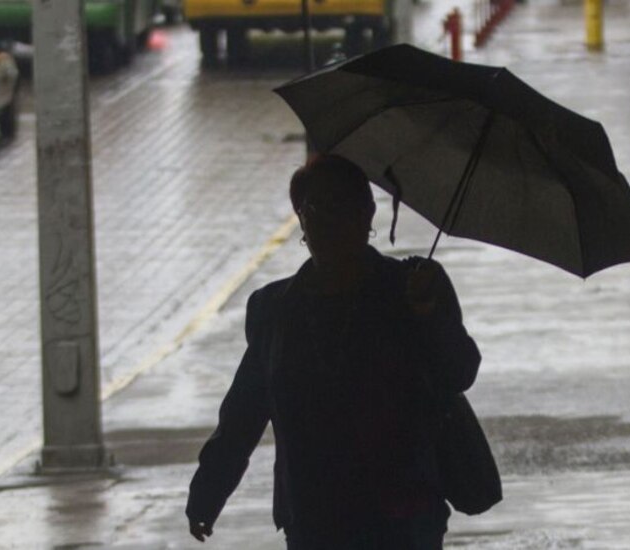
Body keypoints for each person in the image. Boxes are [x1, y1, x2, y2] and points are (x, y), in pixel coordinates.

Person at [186, 154, 481, 549]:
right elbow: (244, 410)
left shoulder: (412, 288)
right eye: (315, 208)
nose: (329, 220)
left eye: (343, 205)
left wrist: (428, 314)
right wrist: (209, 490)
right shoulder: (274, 308)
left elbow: (458, 373)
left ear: (367, 213)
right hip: (313, 519)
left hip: (403, 516)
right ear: (301, 220)